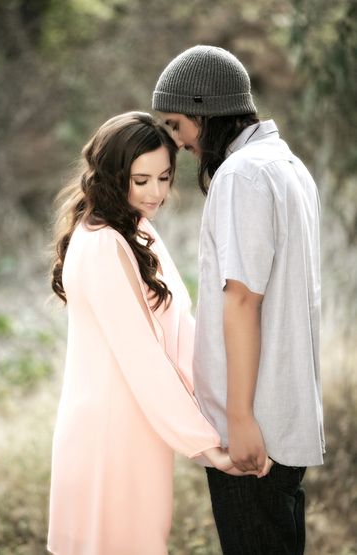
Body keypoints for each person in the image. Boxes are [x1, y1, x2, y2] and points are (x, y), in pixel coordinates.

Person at [47, 112, 267, 555]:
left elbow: (179, 330)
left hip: (136, 427)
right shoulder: (104, 244)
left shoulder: (134, 230)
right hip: (111, 436)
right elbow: (145, 359)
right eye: (140, 180)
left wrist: (227, 409)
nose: (156, 193)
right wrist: (207, 445)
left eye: (164, 178)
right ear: (112, 175)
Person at [152, 45, 325, 555]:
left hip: (255, 429)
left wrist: (241, 420)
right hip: (285, 416)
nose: (178, 142)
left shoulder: (242, 176)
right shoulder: (288, 166)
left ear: (205, 111)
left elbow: (243, 301)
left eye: (177, 124)